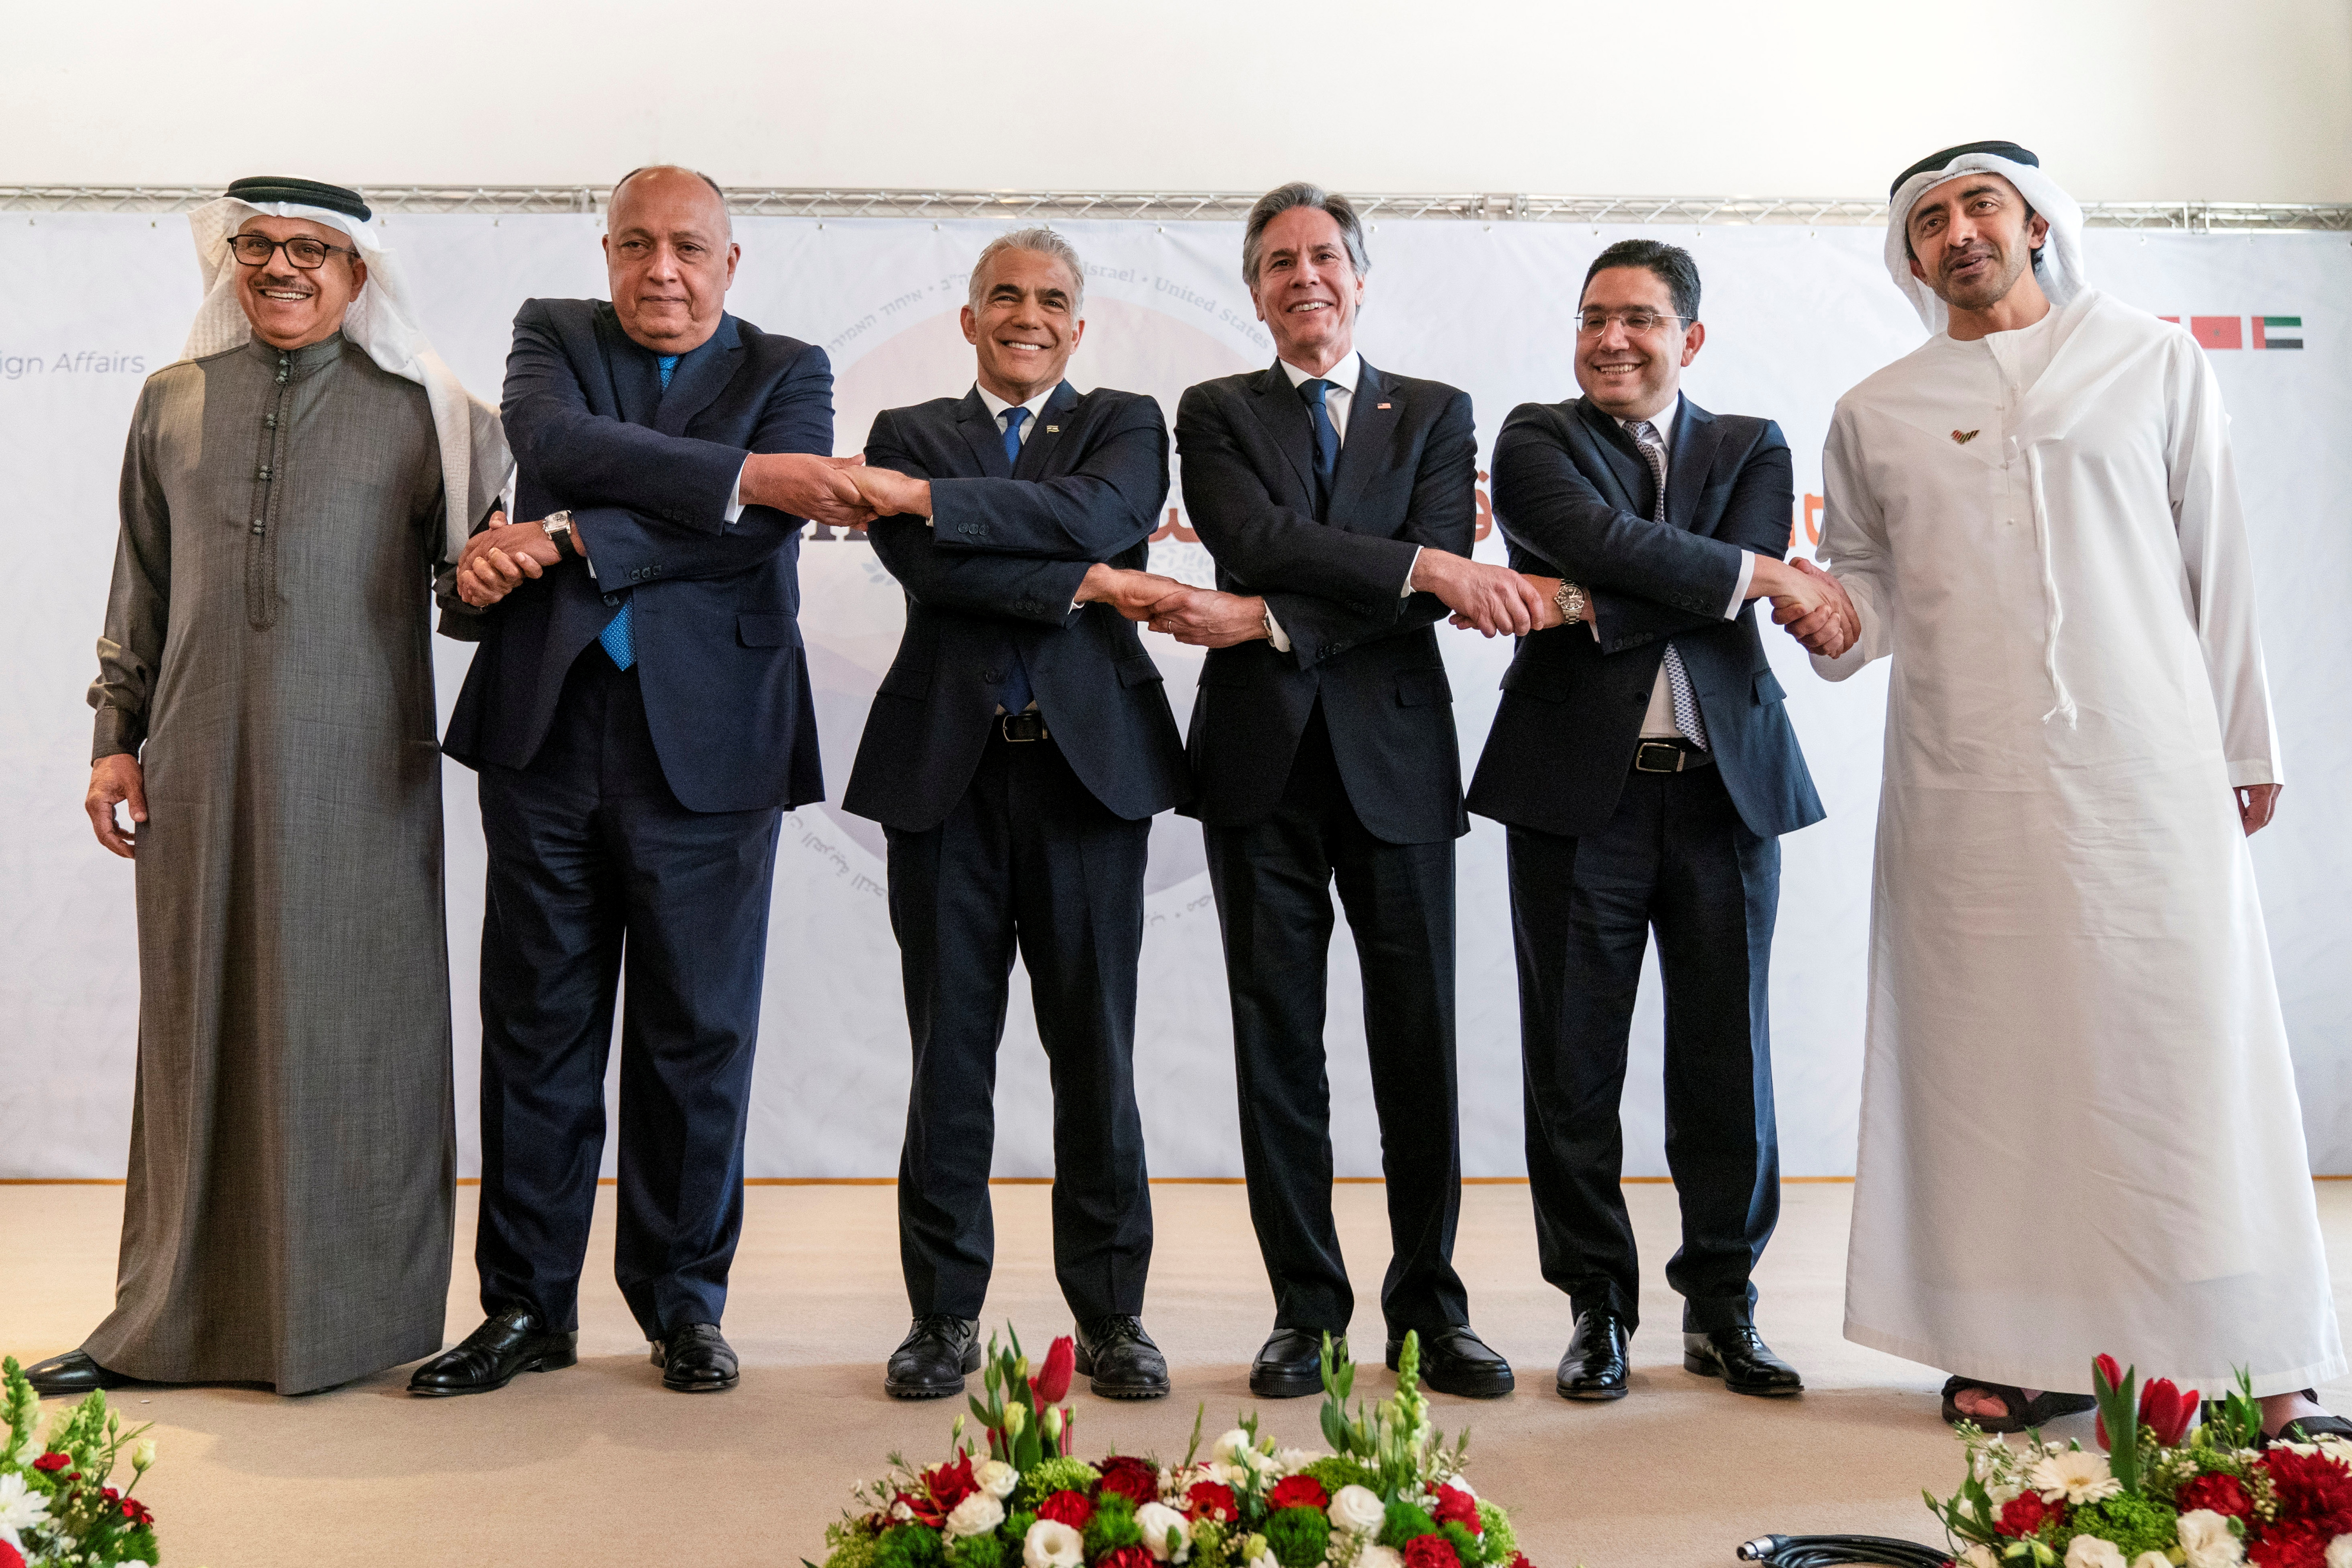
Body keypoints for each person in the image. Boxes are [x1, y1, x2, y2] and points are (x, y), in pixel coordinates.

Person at [1796, 140, 2347, 1439]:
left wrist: (2244, 744)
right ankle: (2018, 1344)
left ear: (2036, 223)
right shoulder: (1875, 408)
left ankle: (2255, 1356)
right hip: (1965, 784)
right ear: (1911, 256)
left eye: (1980, 205)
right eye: (1929, 220)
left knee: (2187, 1054)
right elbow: (1870, 595)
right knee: (1993, 1070)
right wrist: (1829, 618)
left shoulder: (2152, 359)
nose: (1958, 232)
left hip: (2149, 767)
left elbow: (2217, 553)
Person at [34, 175, 508, 1398]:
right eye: (258, 247)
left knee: (353, 1034)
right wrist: (113, 736)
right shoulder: (173, 403)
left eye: (312, 251)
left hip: (361, 769)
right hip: (193, 760)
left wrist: (496, 560)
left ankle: (352, 1322)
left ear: (359, 278)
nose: (282, 268)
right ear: (229, 260)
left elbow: (465, 609)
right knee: (197, 1033)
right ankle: (164, 1319)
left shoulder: (426, 416)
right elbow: (139, 582)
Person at [409, 166, 869, 1398]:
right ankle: (526, 1309)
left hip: (713, 747)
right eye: (637, 246)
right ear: (607, 252)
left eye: (688, 249)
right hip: (549, 731)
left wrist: (565, 533)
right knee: (538, 1031)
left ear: (732, 262)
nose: (661, 271)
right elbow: (554, 444)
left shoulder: (793, 366)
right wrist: (729, 475)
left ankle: (682, 1304)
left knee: (695, 1036)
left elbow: (764, 525)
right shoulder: (551, 334)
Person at [1147, 182, 1544, 1400]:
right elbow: (1257, 534)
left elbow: (1410, 594)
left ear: (1359, 278)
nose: (1303, 277)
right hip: (1260, 768)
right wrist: (1417, 561)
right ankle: (1305, 1311)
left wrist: (1271, 618)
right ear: (1256, 290)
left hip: (1400, 765)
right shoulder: (1213, 410)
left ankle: (1432, 1307)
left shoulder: (1434, 411)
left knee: (1417, 1048)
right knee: (1282, 1050)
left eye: (1324, 257)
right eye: (1278, 263)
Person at [1467, 240, 1833, 1404]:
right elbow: (1616, 545)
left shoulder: (1753, 444)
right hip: (1582, 796)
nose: (1610, 339)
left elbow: (1630, 572)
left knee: (1730, 1061)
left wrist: (1589, 602)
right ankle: (1597, 1310)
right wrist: (1746, 579)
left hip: (1725, 792)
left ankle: (1723, 1309)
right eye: (1591, 319)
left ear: (1692, 338)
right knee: (1573, 1065)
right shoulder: (1534, 437)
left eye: (1637, 319)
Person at [840, 230, 1189, 1401]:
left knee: (1097, 1054)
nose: (1026, 314)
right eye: (1005, 296)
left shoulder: (1128, 421)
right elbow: (934, 574)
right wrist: (1090, 582)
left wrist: (955, 509)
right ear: (970, 317)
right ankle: (942, 1316)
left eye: (1050, 300)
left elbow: (1103, 511)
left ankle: (1114, 1317)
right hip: (945, 778)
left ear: (1078, 326)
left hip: (1089, 781)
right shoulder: (904, 433)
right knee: (951, 1059)